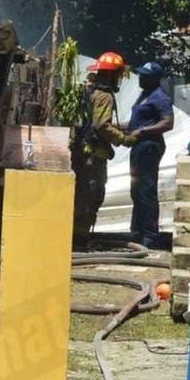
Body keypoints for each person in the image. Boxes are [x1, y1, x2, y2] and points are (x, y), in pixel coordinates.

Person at [71, 51, 133, 246]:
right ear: (111, 75)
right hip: (93, 156)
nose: (119, 79)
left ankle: (77, 237)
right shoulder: (105, 96)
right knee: (92, 196)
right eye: (118, 75)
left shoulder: (88, 90)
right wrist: (123, 139)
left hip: (81, 152)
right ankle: (79, 240)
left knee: (81, 194)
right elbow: (101, 125)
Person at [124, 62, 174, 248]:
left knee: (146, 190)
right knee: (136, 190)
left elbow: (167, 123)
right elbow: (136, 123)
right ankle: (137, 231)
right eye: (141, 75)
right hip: (139, 146)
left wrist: (142, 131)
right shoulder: (144, 95)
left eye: (145, 76)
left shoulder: (160, 97)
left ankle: (150, 236)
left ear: (155, 79)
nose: (141, 78)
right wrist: (117, 127)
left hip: (149, 147)